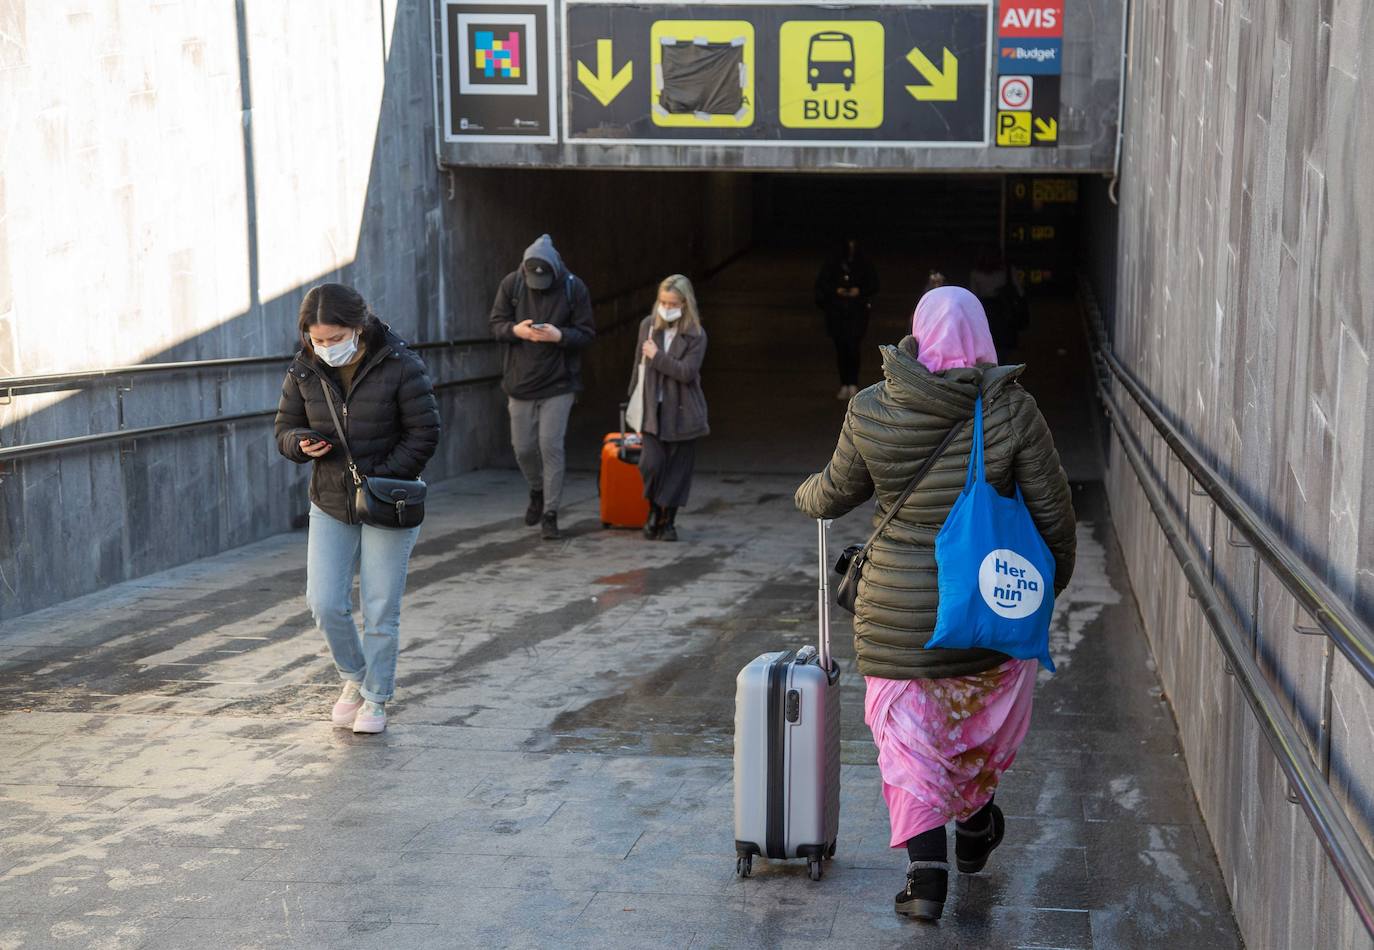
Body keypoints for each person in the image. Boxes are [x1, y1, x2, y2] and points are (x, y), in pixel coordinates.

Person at [794, 286, 1076, 921]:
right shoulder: (1012, 411)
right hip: (987, 613)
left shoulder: (873, 407)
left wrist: (804, 495)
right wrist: (1043, 592)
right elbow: (1054, 516)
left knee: (910, 743)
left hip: (897, 620)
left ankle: (926, 880)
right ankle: (975, 829)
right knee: (973, 726)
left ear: (918, 337)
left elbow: (835, 493)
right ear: (983, 337)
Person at [274, 283, 440, 735]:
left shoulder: (401, 365)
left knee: (381, 606)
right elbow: (284, 428)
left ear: (357, 326)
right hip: (329, 498)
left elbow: (424, 434)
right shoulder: (304, 368)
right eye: (317, 339)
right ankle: (354, 676)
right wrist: (299, 444)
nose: (325, 347)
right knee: (324, 601)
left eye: (333, 337)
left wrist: (380, 478)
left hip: (389, 498)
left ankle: (376, 698)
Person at [489, 234, 596, 540]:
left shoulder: (574, 288)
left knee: (551, 446)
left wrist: (559, 336)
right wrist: (516, 330)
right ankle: (537, 489)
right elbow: (495, 324)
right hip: (520, 382)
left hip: (559, 383)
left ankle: (551, 513)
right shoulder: (512, 284)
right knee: (522, 449)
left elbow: (587, 333)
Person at [626, 274, 709, 541]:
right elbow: (637, 370)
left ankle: (668, 520)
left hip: (684, 412)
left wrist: (658, 357)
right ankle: (653, 510)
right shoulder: (648, 326)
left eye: (673, 302)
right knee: (651, 464)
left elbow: (686, 372)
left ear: (685, 303)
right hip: (653, 410)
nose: (667, 307)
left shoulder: (696, 334)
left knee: (677, 470)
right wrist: (631, 402)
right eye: (663, 301)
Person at [814, 237, 879, 399]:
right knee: (841, 348)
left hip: (855, 312)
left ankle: (852, 383)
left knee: (853, 347)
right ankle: (845, 383)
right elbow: (822, 285)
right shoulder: (832, 264)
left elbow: (873, 284)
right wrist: (837, 291)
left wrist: (859, 291)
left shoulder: (863, 263)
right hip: (837, 312)